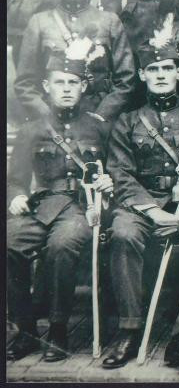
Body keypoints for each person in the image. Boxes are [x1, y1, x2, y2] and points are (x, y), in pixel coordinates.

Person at [101, 15, 179, 376]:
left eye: (167, 68)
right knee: (123, 233)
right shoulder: (127, 121)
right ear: (142, 75)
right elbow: (121, 174)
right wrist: (155, 213)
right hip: (143, 208)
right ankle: (129, 329)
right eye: (153, 69)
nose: (160, 75)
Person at [7, 39, 114, 362]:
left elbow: (117, 170)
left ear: (83, 86)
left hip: (83, 207)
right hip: (41, 207)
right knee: (9, 242)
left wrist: (109, 182)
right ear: (46, 86)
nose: (66, 89)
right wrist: (16, 196)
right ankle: (25, 329)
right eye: (59, 83)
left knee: (62, 244)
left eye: (72, 83)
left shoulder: (99, 128)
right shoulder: (32, 130)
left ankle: (58, 329)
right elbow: (15, 179)